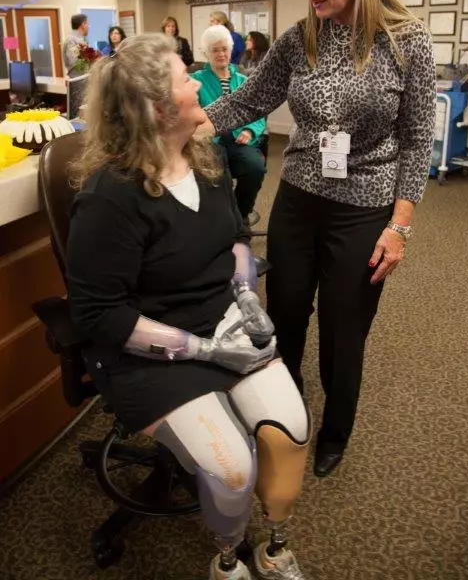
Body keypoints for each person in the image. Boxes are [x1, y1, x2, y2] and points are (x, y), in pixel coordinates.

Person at [66, 33, 310, 580]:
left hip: (222, 319)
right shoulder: (111, 197)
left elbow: (238, 239)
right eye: (185, 76)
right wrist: (204, 350)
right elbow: (99, 315)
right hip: (147, 350)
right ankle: (228, 558)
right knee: (232, 470)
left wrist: (246, 296)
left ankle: (274, 544)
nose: (197, 80)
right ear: (157, 106)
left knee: (290, 430)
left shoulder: (208, 157)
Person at [202, 0, 436, 479]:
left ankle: (336, 430)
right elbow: (244, 103)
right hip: (300, 198)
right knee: (281, 313)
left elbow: (416, 140)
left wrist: (399, 226)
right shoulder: (299, 39)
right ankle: (288, 411)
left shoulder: (407, 44)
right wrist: (171, 129)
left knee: (343, 322)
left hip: (366, 206)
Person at [192, 25, 266, 227]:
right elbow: (191, 113)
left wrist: (250, 130)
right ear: (207, 53)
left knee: (255, 167)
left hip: (238, 138)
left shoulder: (243, 80)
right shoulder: (196, 81)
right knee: (216, 172)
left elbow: (258, 113)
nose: (221, 54)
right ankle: (218, 220)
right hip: (208, 141)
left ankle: (241, 214)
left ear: (231, 50)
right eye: (215, 50)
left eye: (224, 48)